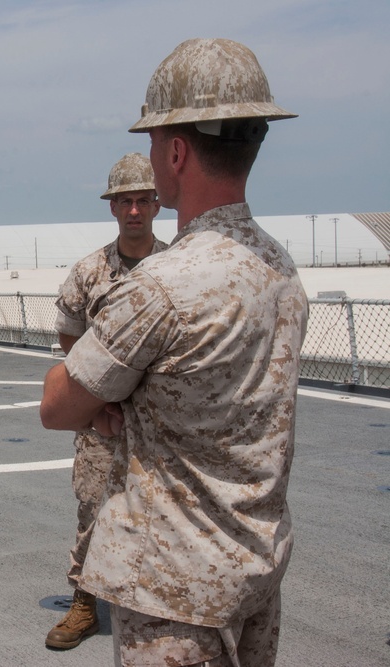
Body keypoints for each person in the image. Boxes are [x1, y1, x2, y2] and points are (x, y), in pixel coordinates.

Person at [39, 39, 307, 667]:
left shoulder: (160, 286)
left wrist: (108, 404)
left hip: (173, 592)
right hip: (254, 573)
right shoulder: (280, 267)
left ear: (177, 151)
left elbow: (58, 404)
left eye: (156, 141)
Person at [45, 152, 168, 651]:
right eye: (125, 201)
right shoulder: (90, 272)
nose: (134, 210)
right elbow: (70, 341)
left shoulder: (175, 266)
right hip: (102, 422)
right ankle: (83, 605)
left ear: (157, 204)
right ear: (112, 208)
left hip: (161, 420)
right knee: (93, 508)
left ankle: (160, 604)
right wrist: (98, 402)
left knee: (164, 514)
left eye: (143, 200)